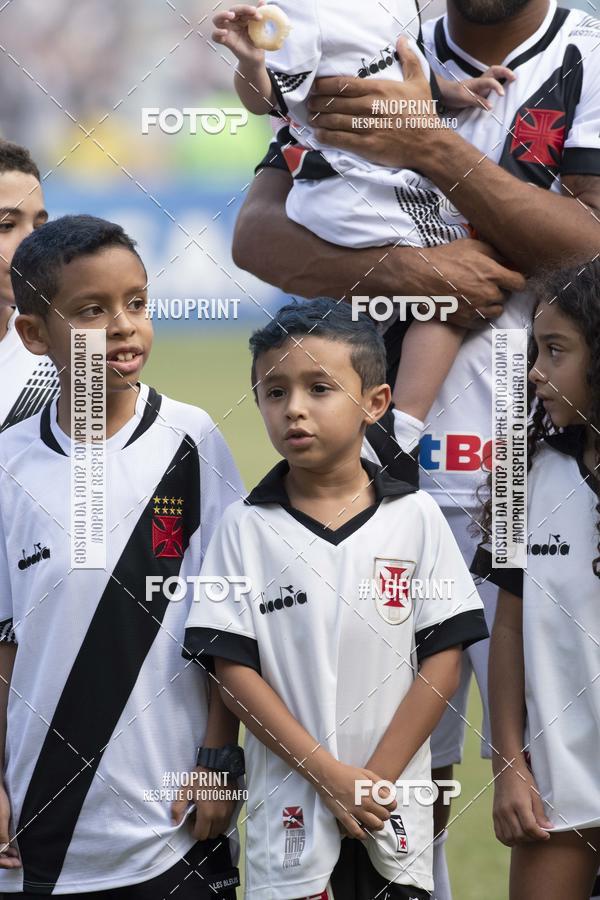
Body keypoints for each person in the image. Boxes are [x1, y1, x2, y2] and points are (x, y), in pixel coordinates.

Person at [231, 0, 600, 893]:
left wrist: (435, 148)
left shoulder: (587, 60)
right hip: (384, 483)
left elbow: (593, 245)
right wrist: (411, 272)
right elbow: (255, 231)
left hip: (537, 478)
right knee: (390, 775)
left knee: (559, 789)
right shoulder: (366, 43)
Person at [182, 298, 489, 900]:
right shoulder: (244, 529)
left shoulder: (417, 517)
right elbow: (231, 670)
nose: (294, 408)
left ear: (375, 403)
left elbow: (443, 664)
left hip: (393, 815)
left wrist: (372, 783)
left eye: (318, 388)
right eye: (274, 393)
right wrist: (328, 777)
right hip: (290, 821)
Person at [0, 215, 244, 897]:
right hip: (37, 834)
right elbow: (4, 640)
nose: (123, 325)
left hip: (174, 827)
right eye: (91, 311)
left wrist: (219, 757)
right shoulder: (8, 464)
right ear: (33, 335)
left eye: (136, 303)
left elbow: (231, 624)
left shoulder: (193, 442)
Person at [213, 0, 513, 455]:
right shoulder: (303, 10)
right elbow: (265, 100)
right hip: (350, 183)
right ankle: (398, 434)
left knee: (380, 313)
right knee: (458, 282)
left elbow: (395, 64)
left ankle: (357, 437)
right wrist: (250, 61)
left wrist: (448, 92)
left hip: (371, 183)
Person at [471, 261, 600, 900]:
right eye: (533, 349)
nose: (534, 373)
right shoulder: (525, 473)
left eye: (555, 350)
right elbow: (510, 627)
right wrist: (509, 763)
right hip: (559, 785)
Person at [0, 140, 58, 430]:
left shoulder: (73, 358)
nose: (31, 245)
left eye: (39, 227)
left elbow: (92, 473)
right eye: (6, 226)